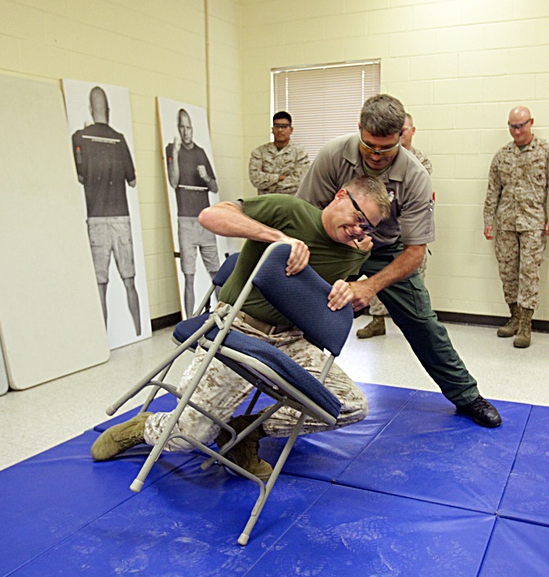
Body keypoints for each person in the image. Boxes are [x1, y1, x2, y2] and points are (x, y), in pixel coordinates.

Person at [91, 177, 392, 479]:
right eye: (357, 219)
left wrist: (353, 287)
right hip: (238, 329)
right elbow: (211, 216)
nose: (357, 230)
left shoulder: (357, 249)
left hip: (292, 339)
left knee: (349, 406)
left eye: (367, 227)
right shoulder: (289, 211)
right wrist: (276, 237)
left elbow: (339, 287)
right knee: (189, 435)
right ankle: (144, 427)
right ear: (341, 196)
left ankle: (246, 432)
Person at [297, 94, 502, 429]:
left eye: (387, 148)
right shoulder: (332, 155)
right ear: (359, 129)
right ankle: (282, 386)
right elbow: (305, 214)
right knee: (296, 308)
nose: (377, 156)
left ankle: (466, 395)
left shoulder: (415, 175)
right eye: (370, 146)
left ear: (402, 137)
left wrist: (369, 286)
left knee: (422, 322)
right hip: (333, 243)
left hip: (386, 249)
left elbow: (415, 250)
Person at [484, 106, 549, 348]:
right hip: (506, 224)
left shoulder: (547, 151)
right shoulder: (502, 155)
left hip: (533, 224)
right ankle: (514, 316)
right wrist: (488, 221)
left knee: (528, 273)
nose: (516, 130)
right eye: (512, 125)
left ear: (531, 122)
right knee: (508, 273)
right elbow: (493, 191)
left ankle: (526, 325)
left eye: (520, 125)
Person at [72, 86, 142, 335]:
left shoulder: (79, 138)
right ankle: (137, 331)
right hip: (121, 217)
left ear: (91, 110)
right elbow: (133, 181)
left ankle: (104, 339)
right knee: (129, 281)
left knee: (100, 284)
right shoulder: (120, 138)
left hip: (96, 217)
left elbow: (79, 177)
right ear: (108, 111)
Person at [358, 112, 433, 339]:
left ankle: (414, 326)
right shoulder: (373, 158)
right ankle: (377, 320)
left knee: (409, 279)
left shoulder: (419, 162)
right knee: (377, 276)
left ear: (409, 132)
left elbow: (411, 198)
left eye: (408, 129)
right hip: (377, 230)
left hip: (408, 230)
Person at [166, 108, 221, 316]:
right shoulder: (172, 149)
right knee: (188, 275)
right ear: (178, 129)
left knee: (216, 271)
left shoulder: (200, 152)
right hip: (185, 220)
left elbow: (215, 188)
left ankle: (227, 317)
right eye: (182, 127)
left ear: (193, 128)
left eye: (188, 127)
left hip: (205, 219)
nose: (186, 131)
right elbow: (173, 182)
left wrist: (206, 177)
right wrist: (176, 153)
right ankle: (187, 320)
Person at [248, 111, 310, 196]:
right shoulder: (259, 152)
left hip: (290, 203)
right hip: (266, 204)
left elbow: (300, 181)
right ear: (272, 129)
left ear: (291, 130)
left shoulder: (300, 153)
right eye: (277, 126)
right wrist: (278, 178)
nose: (280, 130)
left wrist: (269, 185)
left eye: (284, 126)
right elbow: (255, 179)